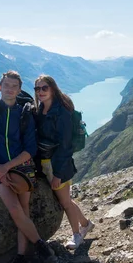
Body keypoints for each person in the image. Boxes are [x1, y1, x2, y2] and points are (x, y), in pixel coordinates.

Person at [0, 70, 57, 263]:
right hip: (0, 170)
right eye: (6, 85)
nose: (10, 89)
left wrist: (5, 167)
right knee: (15, 210)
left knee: (24, 211)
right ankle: (43, 249)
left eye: (14, 86)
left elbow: (30, 149)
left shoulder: (24, 114)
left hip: (22, 167)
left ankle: (20, 259)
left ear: (19, 90)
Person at [33, 74, 95, 250]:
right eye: (37, 89)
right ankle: (86, 224)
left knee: (65, 202)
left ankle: (77, 234)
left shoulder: (62, 112)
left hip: (59, 164)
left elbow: (65, 146)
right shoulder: (40, 110)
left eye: (44, 88)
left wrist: (57, 174)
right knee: (66, 199)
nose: (41, 92)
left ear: (53, 89)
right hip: (45, 162)